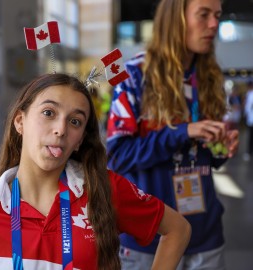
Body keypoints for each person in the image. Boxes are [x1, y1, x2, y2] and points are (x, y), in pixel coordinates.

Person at [0, 73, 191, 270]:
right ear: (20, 121)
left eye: (75, 121)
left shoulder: (103, 187)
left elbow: (177, 229)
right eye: (48, 113)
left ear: (79, 141)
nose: (60, 129)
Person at [106, 0, 239, 269]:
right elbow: (118, 157)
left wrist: (219, 150)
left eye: (216, 15)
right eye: (203, 15)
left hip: (206, 237)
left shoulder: (209, 77)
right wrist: (183, 131)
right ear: (175, 20)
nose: (214, 24)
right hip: (150, 239)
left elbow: (202, 158)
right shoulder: (134, 76)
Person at [243, 81, 253, 161]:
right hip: (251, 119)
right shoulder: (249, 94)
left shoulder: (250, 94)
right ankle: (249, 152)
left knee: (251, 136)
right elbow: (247, 107)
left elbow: (247, 107)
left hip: (251, 118)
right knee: (250, 136)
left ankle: (249, 152)